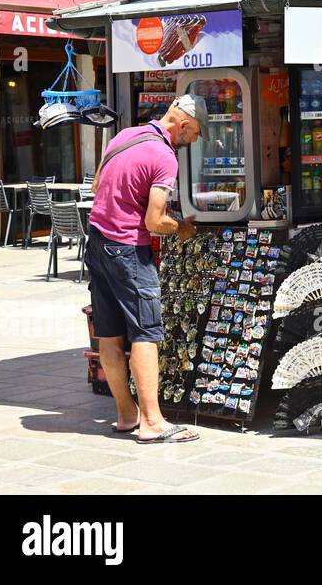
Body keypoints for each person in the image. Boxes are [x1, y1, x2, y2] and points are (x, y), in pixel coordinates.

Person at [84, 95, 203, 444]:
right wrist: (180, 227)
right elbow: (154, 220)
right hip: (127, 252)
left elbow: (96, 188)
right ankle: (152, 423)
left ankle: (126, 415)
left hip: (97, 243)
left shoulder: (124, 136)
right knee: (145, 333)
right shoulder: (164, 157)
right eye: (194, 133)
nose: (193, 140)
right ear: (182, 124)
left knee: (108, 334)